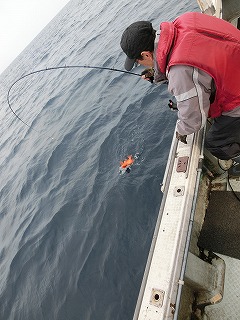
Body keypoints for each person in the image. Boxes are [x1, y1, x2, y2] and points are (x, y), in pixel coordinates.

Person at [120, 12, 240, 174]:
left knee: (215, 143)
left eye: (138, 62)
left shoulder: (179, 70)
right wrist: (156, 74)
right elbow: (195, 64)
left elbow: (194, 119)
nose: (140, 65)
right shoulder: (184, 20)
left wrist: (181, 131)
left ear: (146, 54)